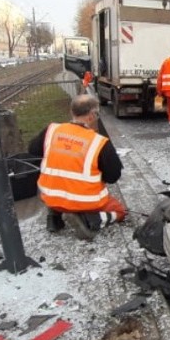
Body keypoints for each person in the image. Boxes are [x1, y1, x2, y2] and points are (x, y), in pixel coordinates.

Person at [29, 94, 126, 240]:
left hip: (50, 195)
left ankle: (54, 214)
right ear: (92, 115)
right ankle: (91, 219)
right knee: (119, 210)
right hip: (86, 202)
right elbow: (113, 176)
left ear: (71, 112)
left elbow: (32, 150)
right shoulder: (99, 142)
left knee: (59, 195)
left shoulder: (51, 130)